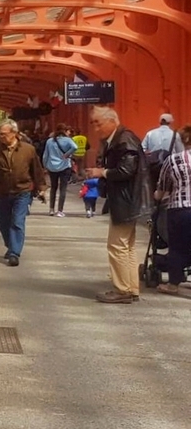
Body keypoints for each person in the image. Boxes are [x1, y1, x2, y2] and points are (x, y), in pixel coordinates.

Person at [86, 106, 150, 304]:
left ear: (112, 120)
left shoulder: (124, 139)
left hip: (126, 199)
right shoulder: (121, 139)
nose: (96, 128)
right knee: (126, 246)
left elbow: (126, 170)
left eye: (99, 123)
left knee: (116, 245)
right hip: (128, 198)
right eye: (94, 123)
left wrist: (102, 172)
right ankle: (131, 288)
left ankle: (122, 290)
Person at [0, 119, 46, 266]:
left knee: (17, 221)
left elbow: (37, 170)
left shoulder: (28, 150)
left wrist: (41, 188)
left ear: (14, 133)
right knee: (3, 223)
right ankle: (11, 246)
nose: (0, 137)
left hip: (22, 191)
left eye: (3, 134)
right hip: (2, 192)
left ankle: (15, 253)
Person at [152, 124, 191, 295]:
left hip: (179, 210)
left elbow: (162, 190)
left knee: (176, 246)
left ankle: (173, 284)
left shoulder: (173, 160)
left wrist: (157, 197)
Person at [42, 123, 78, 217]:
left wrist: (45, 166)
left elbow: (45, 155)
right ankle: (60, 211)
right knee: (63, 188)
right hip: (64, 166)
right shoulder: (67, 140)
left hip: (52, 167)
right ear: (65, 130)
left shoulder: (50, 141)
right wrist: (67, 154)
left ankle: (51, 209)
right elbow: (75, 147)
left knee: (53, 188)